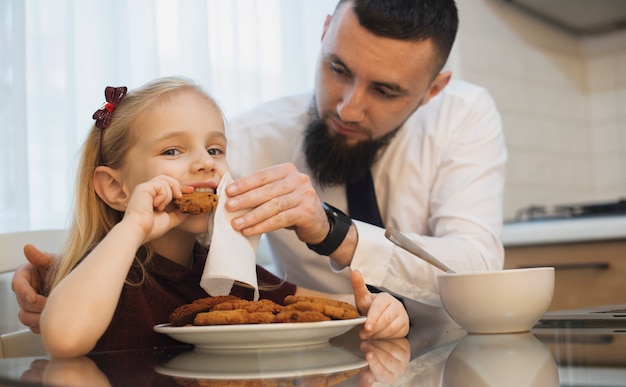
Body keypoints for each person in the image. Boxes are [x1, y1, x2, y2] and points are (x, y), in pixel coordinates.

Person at [13, 0, 506, 328]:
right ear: (323, 33)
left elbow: (479, 270)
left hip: (441, 356)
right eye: (338, 69)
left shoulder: (462, 116)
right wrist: (70, 273)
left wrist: (335, 233)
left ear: (432, 90)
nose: (348, 108)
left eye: (385, 90)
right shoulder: (242, 141)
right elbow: (157, 219)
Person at [37, 77, 409, 358]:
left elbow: (319, 311)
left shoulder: (224, 267)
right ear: (117, 190)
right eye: (172, 150)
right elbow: (64, 340)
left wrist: (377, 309)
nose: (205, 162)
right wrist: (134, 227)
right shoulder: (111, 267)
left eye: (215, 148)